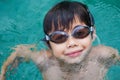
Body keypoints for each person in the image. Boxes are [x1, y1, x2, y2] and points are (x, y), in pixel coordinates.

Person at [0, 1, 119, 80]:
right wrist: (3, 73)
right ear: (48, 44)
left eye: (80, 33)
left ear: (92, 34)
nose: (71, 43)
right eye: (59, 37)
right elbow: (20, 52)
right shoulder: (44, 61)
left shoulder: (104, 55)